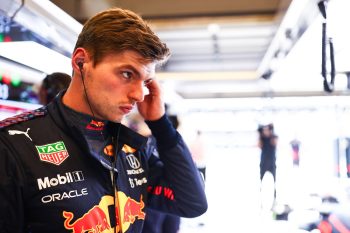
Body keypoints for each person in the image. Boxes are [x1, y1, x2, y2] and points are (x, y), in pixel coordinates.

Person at [0, 7, 207, 233]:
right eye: (127, 74)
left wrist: (160, 124)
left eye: (145, 81)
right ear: (80, 62)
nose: (139, 94)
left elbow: (192, 202)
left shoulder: (131, 148)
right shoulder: (12, 146)